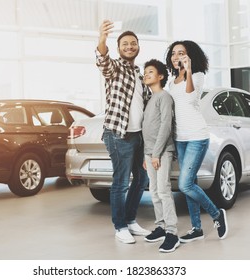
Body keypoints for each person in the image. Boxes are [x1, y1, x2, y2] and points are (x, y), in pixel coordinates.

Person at [165, 40, 228, 242]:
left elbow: (191, 99)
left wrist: (189, 71)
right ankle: (196, 228)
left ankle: (217, 214)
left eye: (181, 53)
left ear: (190, 56)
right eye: (174, 53)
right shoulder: (172, 80)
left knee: (184, 184)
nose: (176, 56)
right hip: (180, 137)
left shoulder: (198, 75)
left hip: (197, 136)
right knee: (190, 183)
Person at [96, 20, 151, 244]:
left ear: (138, 47)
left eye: (133, 43)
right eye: (125, 44)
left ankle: (130, 221)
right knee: (121, 181)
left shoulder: (139, 74)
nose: (130, 46)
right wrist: (102, 40)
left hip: (138, 135)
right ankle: (119, 227)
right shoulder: (116, 68)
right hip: (119, 134)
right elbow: (103, 62)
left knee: (142, 178)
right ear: (119, 48)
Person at [141, 59, 180, 253]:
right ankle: (161, 227)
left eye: (150, 72)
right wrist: (146, 155)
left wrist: (156, 153)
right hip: (150, 153)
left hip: (162, 151)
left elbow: (166, 126)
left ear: (161, 76)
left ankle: (172, 233)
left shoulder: (164, 97)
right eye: (145, 72)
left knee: (164, 190)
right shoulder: (150, 100)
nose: (146, 75)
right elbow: (147, 128)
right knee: (154, 191)